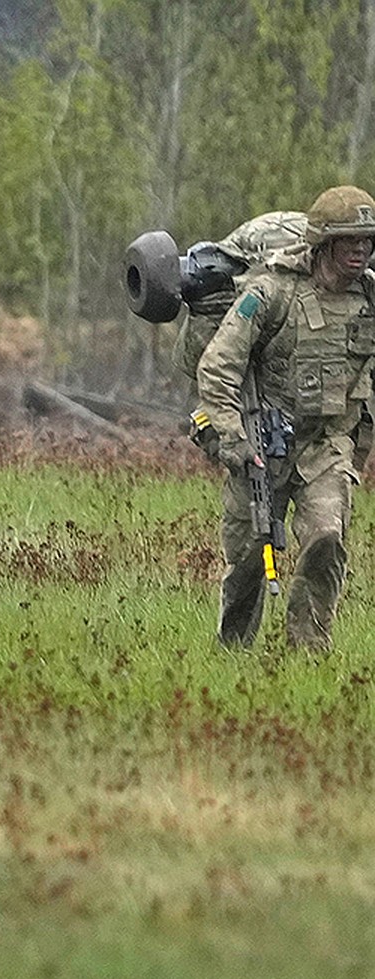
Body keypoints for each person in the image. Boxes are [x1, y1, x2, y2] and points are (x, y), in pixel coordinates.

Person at [197, 185, 375, 650]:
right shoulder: (270, 292)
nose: (359, 250)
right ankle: (232, 650)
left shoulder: (370, 301)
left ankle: (308, 650)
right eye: (349, 240)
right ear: (323, 243)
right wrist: (233, 436)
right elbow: (218, 366)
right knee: (250, 560)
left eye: (366, 241)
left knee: (326, 538)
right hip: (262, 444)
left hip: (326, 447)